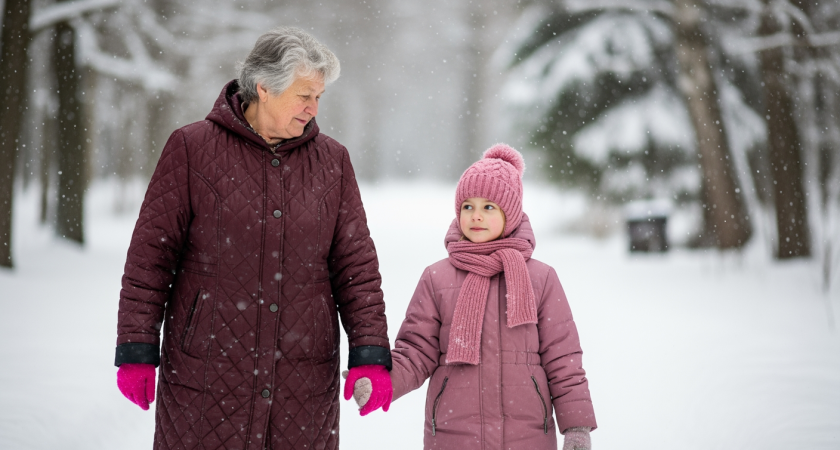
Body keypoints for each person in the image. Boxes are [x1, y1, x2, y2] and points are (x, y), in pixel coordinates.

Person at [114, 27, 393, 450]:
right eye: (304, 95)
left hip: (302, 379)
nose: (314, 108)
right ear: (264, 87)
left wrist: (369, 353)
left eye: (319, 96)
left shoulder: (333, 161)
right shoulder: (191, 148)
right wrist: (136, 347)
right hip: (206, 373)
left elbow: (357, 267)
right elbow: (150, 258)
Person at [347, 144, 597, 449]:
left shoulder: (541, 278)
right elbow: (416, 351)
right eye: (468, 207)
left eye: (488, 207)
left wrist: (576, 426)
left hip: (526, 436)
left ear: (510, 213)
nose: (476, 216)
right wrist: (383, 382)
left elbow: (563, 359)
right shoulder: (437, 278)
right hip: (454, 435)